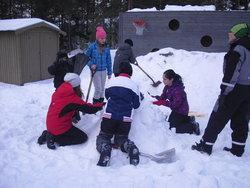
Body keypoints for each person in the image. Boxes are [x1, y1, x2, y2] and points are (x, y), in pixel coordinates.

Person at [192, 23, 250, 157]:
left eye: (231, 33)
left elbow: (232, 72)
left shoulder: (238, 49)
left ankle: (206, 146)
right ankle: (238, 149)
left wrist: (225, 91)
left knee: (218, 116)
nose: (228, 36)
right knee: (241, 119)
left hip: (234, 89)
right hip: (248, 91)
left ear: (238, 35)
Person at [37, 73, 104, 149]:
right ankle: (53, 137)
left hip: (51, 124)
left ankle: (48, 133)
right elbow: (90, 109)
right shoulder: (72, 98)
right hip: (59, 128)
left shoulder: (58, 92)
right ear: (76, 85)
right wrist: (100, 105)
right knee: (82, 138)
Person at [96, 62, 141, 166]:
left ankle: (105, 147)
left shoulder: (111, 82)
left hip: (109, 117)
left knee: (104, 136)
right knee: (121, 138)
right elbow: (136, 105)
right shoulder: (134, 86)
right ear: (130, 73)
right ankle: (129, 146)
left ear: (119, 71)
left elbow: (107, 96)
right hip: (125, 120)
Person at [151, 69, 200, 135]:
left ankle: (193, 126)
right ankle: (188, 119)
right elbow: (163, 97)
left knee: (172, 128)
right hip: (176, 110)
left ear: (171, 79)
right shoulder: (167, 86)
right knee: (169, 123)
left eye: (165, 79)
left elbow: (175, 105)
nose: (163, 81)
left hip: (181, 111)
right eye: (163, 79)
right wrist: (156, 98)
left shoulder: (178, 90)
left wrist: (162, 102)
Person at [86, 26, 112, 103]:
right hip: (95, 71)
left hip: (103, 70)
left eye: (104, 38)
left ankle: (100, 102)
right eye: (101, 38)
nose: (103, 40)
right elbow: (86, 58)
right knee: (98, 88)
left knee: (102, 88)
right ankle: (95, 103)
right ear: (97, 38)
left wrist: (110, 72)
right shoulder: (92, 47)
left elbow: (109, 60)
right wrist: (91, 64)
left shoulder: (106, 48)